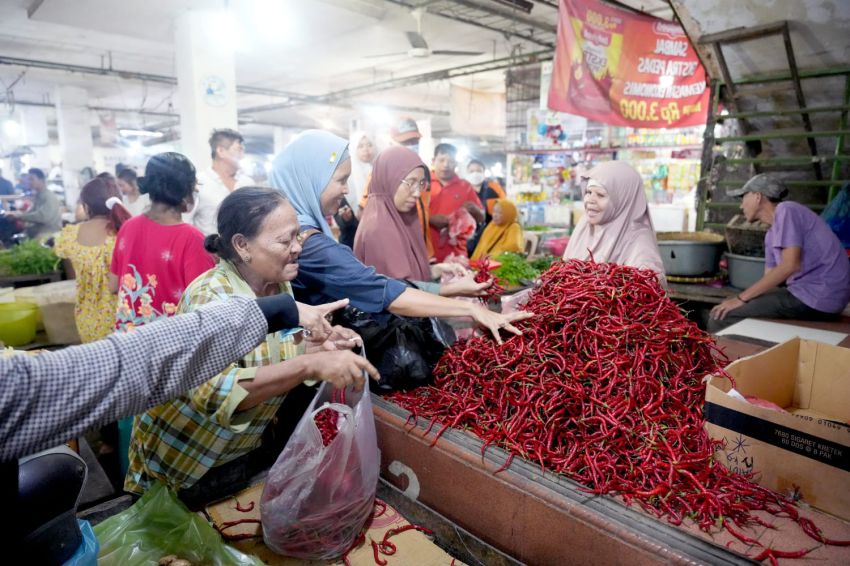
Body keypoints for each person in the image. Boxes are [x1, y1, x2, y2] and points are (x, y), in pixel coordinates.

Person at [125, 187, 378, 502]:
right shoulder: (213, 296)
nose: (298, 247)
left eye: (297, 236)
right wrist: (309, 365)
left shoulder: (277, 285)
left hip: (234, 451)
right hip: (185, 460)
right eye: (286, 241)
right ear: (242, 246)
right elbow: (215, 393)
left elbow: (267, 353)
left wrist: (317, 345)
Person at [269, 130, 530, 344]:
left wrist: (444, 278)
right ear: (309, 179)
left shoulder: (297, 232)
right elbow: (384, 289)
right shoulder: (310, 242)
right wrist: (471, 308)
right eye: (340, 180)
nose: (346, 189)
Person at [709, 174, 850, 332]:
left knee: (720, 317)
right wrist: (741, 300)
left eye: (743, 198)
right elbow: (770, 279)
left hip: (822, 295)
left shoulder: (787, 210)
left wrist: (741, 298)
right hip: (807, 296)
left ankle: (723, 356)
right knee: (728, 306)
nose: (741, 206)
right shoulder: (771, 234)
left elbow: (791, 265)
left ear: (757, 196)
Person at [353, 145, 485, 294]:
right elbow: (400, 293)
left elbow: (405, 274)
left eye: (420, 183)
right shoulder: (379, 228)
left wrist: (436, 269)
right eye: (410, 183)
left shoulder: (399, 219)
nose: (417, 193)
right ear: (389, 180)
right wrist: (454, 289)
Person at [109, 152, 215, 331]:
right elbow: (203, 306)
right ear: (186, 191)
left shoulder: (128, 228)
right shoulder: (192, 239)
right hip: (172, 346)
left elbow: (113, 285)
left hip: (129, 342)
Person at [54, 177, 131, 343]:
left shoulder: (70, 235)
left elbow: (72, 276)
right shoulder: (125, 233)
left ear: (86, 207)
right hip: (125, 318)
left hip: (87, 318)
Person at [563, 161, 666, 283]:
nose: (590, 200)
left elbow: (644, 292)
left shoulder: (640, 244)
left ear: (623, 200)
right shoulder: (585, 225)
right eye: (588, 192)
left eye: (600, 195)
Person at [184, 128, 253, 235]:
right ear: (221, 151)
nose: (242, 156)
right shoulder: (198, 182)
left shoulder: (247, 183)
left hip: (243, 249)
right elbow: (185, 222)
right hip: (208, 250)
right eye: (238, 149)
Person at [429, 144, 484, 262]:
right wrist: (430, 219)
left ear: (456, 163)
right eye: (441, 160)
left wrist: (475, 210)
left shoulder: (465, 186)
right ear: (433, 161)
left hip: (456, 255)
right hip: (426, 253)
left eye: (451, 161)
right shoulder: (423, 183)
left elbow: (481, 218)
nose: (446, 165)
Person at [5, 168, 63, 239]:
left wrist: (19, 216)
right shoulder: (38, 195)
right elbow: (32, 212)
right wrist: (17, 215)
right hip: (36, 232)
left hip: (48, 234)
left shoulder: (49, 197)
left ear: (41, 180)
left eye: (32, 179)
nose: (29, 182)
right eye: (28, 179)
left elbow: (42, 217)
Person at [466, 159, 507, 254]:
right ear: (467, 173)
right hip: (468, 240)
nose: (475, 174)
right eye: (472, 171)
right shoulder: (462, 191)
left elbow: (505, 210)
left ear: (484, 173)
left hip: (492, 237)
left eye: (478, 171)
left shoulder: (494, 189)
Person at [346, 131, 376, 218]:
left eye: (369, 145)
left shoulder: (377, 169)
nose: (366, 149)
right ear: (353, 148)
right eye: (360, 146)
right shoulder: (348, 172)